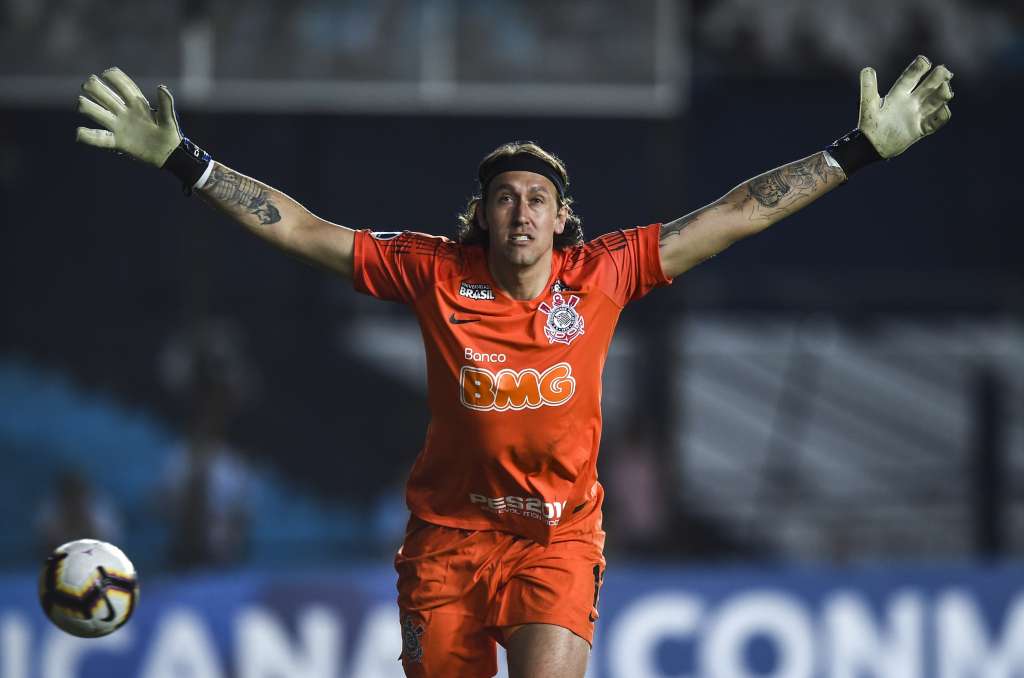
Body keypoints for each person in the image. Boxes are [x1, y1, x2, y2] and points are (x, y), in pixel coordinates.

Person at [74, 56, 953, 677]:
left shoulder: (602, 273)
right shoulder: (432, 273)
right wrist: (186, 162)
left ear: (562, 217)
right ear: (483, 217)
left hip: (556, 537)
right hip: (446, 543)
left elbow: (733, 215)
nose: (521, 210)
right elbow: (303, 230)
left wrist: (857, 150)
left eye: (537, 198)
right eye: (504, 198)